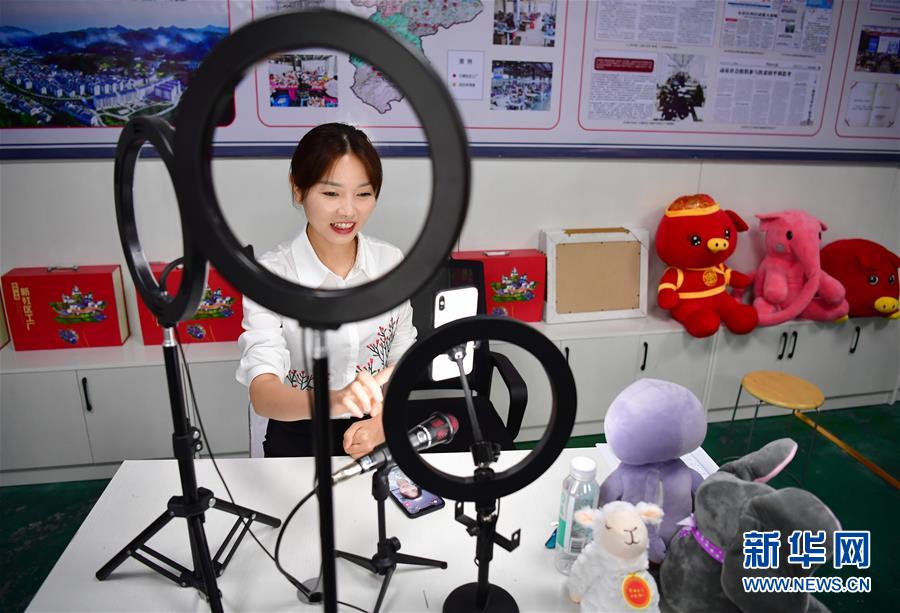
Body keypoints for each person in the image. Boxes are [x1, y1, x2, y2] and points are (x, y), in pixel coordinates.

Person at [236, 123, 416, 458]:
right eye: (331, 194)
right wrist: (338, 401)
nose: (348, 210)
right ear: (298, 188)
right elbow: (263, 393)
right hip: (298, 431)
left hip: (375, 426)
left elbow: (403, 358)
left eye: (363, 194)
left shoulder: (390, 262)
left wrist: (382, 421)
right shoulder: (271, 276)